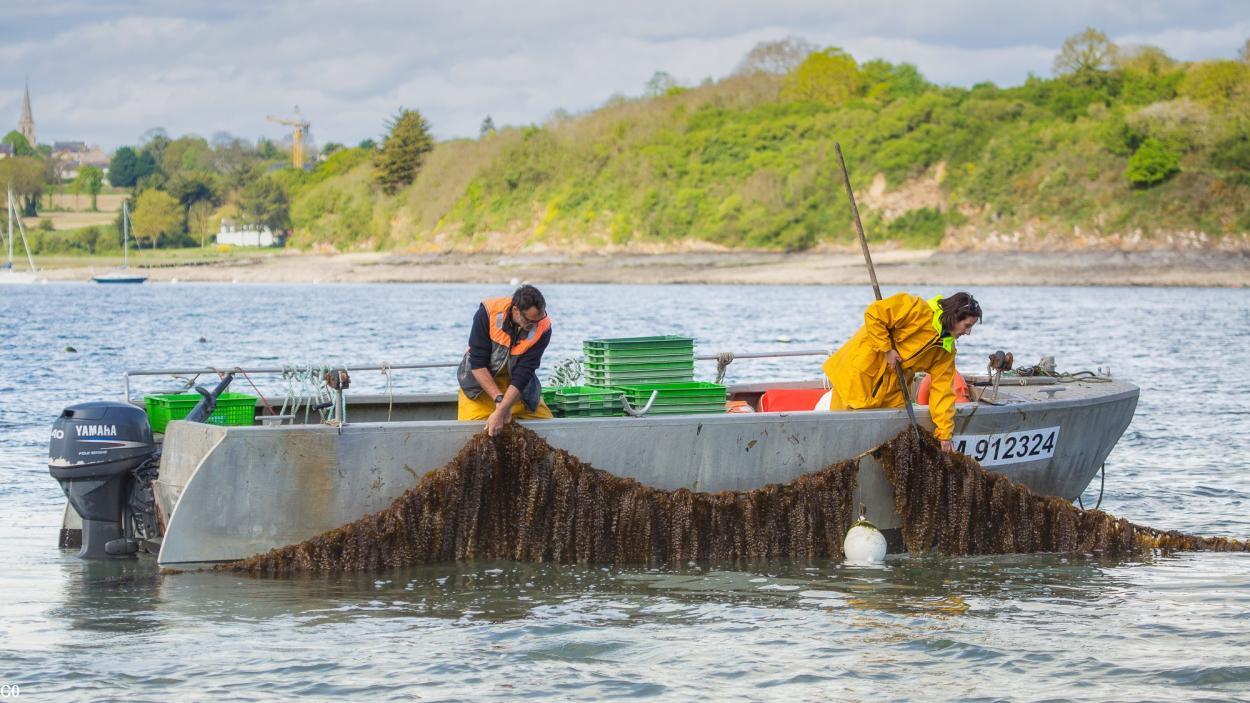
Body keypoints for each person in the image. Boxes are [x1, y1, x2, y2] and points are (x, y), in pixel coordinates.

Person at [822, 292, 982, 452]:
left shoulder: (946, 351)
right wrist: (887, 349)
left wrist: (945, 433)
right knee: (840, 438)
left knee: (882, 445)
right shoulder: (915, 308)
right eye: (967, 326)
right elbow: (874, 314)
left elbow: (943, 391)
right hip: (856, 377)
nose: (968, 333)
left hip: (892, 393)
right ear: (954, 316)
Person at [457, 285, 554, 435]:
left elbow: (524, 372)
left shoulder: (544, 326)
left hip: (517, 387)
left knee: (548, 427)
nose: (535, 325)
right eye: (530, 321)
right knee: (474, 432)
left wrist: (502, 408)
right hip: (480, 386)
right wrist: (500, 403)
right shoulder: (488, 313)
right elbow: (477, 364)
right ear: (516, 311)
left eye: (539, 319)